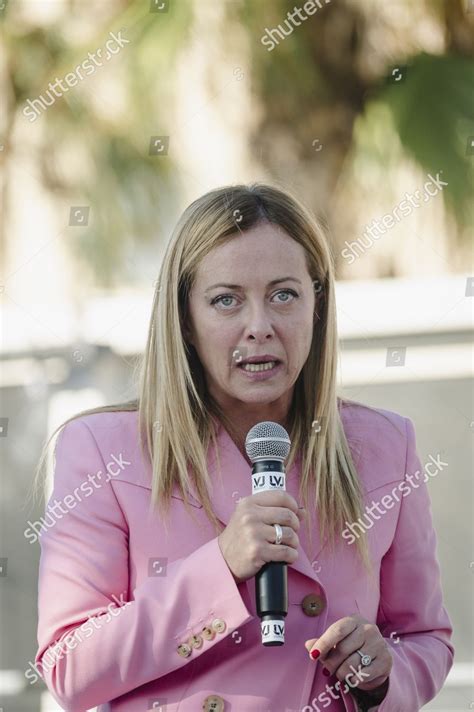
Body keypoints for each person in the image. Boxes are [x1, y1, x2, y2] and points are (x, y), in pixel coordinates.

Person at [33, 183, 454, 711]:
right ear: (185, 319)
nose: (259, 328)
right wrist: (220, 567)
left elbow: (426, 639)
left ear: (317, 305)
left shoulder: (386, 444)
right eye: (226, 300)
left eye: (283, 295)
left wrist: (381, 676)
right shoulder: (101, 449)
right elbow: (69, 667)